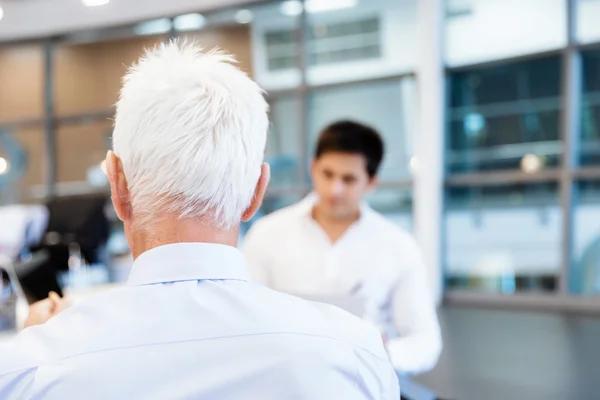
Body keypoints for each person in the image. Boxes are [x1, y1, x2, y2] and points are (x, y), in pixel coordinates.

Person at [0, 43, 399, 399]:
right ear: (255, 193)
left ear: (117, 187)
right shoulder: (355, 355)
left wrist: (41, 347)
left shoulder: (30, 369)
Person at [244, 121, 442, 375]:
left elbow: (426, 342)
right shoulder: (267, 233)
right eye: (327, 174)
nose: (334, 189)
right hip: (283, 382)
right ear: (313, 168)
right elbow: (246, 316)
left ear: (371, 182)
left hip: (364, 384)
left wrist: (383, 353)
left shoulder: (398, 246)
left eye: (348, 179)